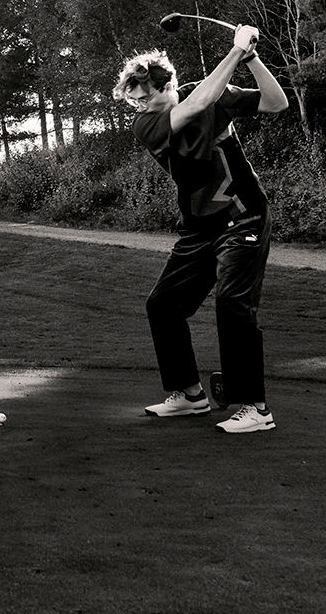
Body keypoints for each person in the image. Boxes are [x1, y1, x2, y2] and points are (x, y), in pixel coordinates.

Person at [113, 25, 289, 434]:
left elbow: (276, 103)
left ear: (166, 85)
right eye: (133, 101)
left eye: (146, 97)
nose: (139, 106)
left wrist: (250, 59)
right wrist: (234, 51)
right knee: (163, 306)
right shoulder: (147, 125)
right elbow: (198, 103)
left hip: (244, 217)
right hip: (200, 227)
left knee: (232, 303)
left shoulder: (212, 93)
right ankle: (190, 395)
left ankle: (255, 408)